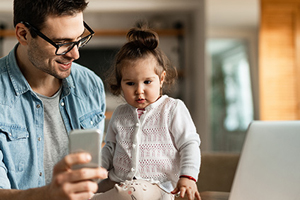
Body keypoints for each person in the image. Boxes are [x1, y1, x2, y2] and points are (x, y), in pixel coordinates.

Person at [0, 0, 108, 199]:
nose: (75, 54)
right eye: (62, 43)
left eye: (79, 39)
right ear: (23, 34)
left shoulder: (91, 85)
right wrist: (47, 195)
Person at [91, 26, 201, 200]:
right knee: (82, 190)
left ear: (162, 78)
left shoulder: (172, 109)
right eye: (130, 83)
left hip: (157, 186)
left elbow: (189, 144)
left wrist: (187, 177)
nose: (139, 91)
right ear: (120, 84)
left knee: (132, 192)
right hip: (117, 181)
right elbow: (110, 148)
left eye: (147, 82)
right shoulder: (120, 113)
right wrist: (95, 171)